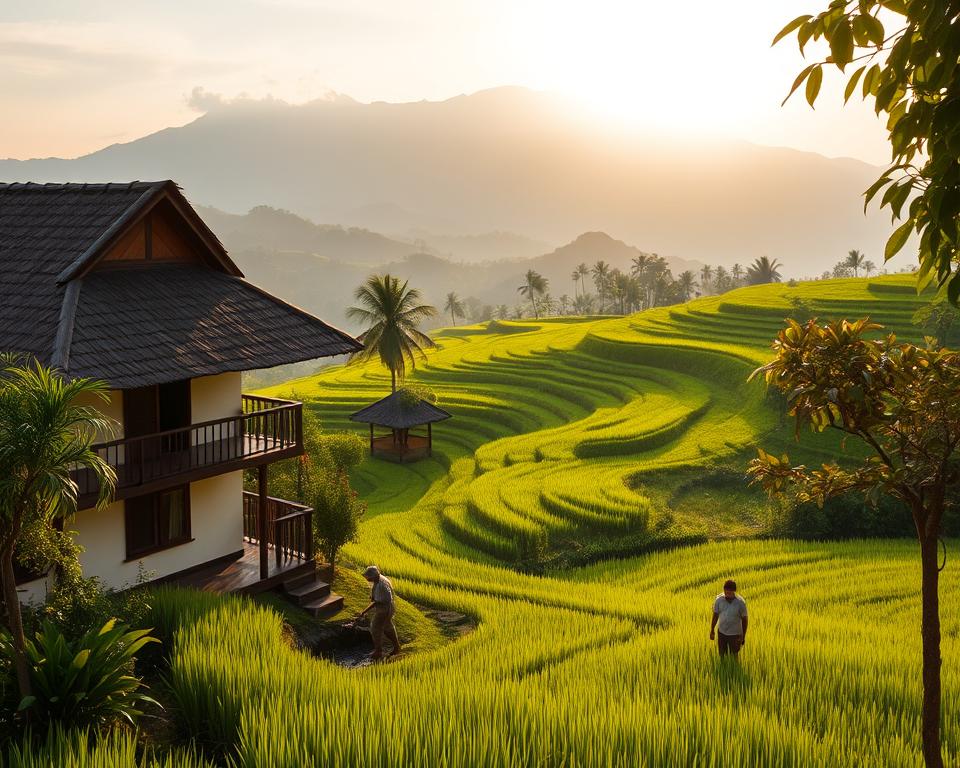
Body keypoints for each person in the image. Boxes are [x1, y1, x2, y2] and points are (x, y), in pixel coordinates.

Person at [359, 565, 402, 660]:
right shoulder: (379, 579)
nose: (367, 579)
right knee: (387, 626)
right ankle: (396, 647)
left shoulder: (381, 586)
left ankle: (378, 651)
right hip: (387, 606)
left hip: (385, 609)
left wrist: (364, 611)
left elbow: (376, 602)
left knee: (375, 627)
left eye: (368, 577)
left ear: (373, 576)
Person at [709, 578, 748, 657]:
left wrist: (743, 636)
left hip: (735, 635)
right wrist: (712, 630)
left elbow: (745, 620)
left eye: (730, 593)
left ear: (734, 591)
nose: (727, 594)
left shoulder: (740, 603)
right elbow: (715, 615)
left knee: (734, 656)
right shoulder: (719, 600)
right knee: (722, 655)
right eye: (726, 592)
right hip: (722, 633)